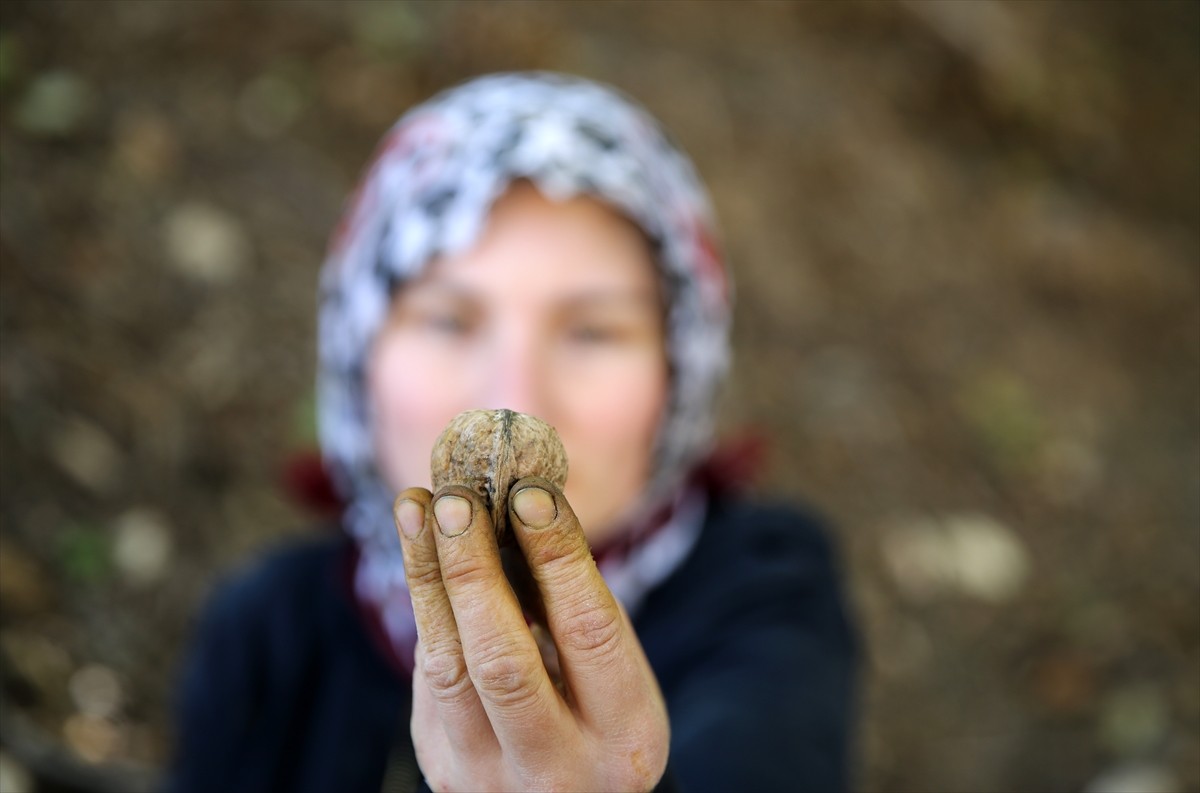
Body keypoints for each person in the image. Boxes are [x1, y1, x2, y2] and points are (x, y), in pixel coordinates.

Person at [167, 72, 857, 793]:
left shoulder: (764, 598)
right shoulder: (267, 630)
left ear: (683, 369)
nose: (513, 398)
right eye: (448, 320)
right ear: (356, 351)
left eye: (594, 331)